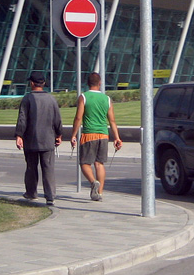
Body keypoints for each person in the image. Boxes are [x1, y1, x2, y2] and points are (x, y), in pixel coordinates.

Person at [70, 73, 123, 201]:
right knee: (99, 164)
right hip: (103, 135)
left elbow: (78, 118)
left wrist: (73, 135)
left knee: (84, 163)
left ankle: (93, 182)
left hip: (89, 134)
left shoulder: (84, 97)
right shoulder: (107, 99)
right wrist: (117, 137)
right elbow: (112, 120)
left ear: (87, 83)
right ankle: (99, 193)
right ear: (100, 83)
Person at [14, 71, 62, 206]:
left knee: (31, 167)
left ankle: (31, 193)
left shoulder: (27, 99)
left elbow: (22, 119)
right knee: (48, 168)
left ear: (31, 83)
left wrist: (19, 135)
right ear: (44, 83)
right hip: (48, 139)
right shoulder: (51, 99)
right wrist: (59, 134)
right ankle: (50, 196)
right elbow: (57, 119)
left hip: (31, 140)